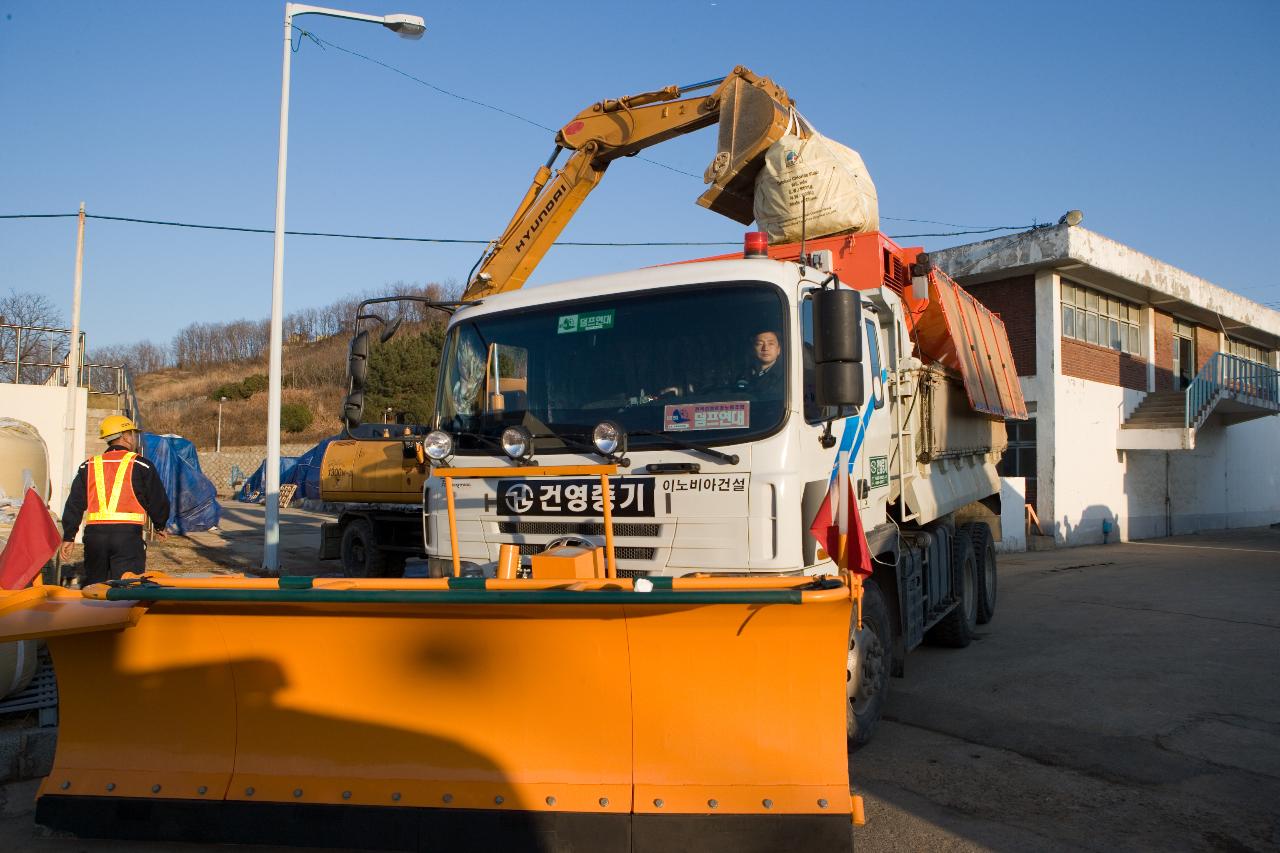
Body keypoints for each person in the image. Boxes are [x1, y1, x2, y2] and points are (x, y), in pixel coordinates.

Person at [59, 415, 170, 585]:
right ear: (125, 436)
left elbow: (74, 503)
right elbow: (157, 499)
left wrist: (69, 536)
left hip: (95, 537)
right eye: (132, 434)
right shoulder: (141, 464)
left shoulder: (88, 465)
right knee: (127, 588)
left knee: (96, 587)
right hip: (127, 537)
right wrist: (160, 524)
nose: (134, 439)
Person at [733, 329, 784, 397]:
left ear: (778, 350)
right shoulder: (742, 374)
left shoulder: (785, 376)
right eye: (759, 344)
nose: (765, 348)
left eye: (771, 344)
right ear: (752, 349)